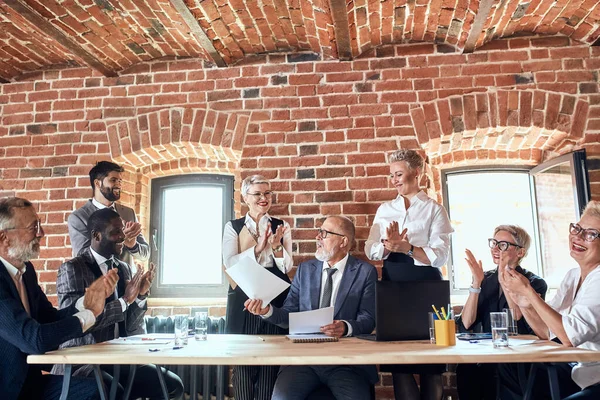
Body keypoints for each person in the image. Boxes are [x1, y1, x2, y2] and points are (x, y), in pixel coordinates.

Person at [55, 208, 184, 400]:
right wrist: (124, 301)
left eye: (122, 231)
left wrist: (139, 297)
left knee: (173, 386)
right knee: (112, 390)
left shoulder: (123, 268)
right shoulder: (73, 268)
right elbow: (75, 325)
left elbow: (130, 326)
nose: (122, 237)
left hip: (119, 358)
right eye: (115, 232)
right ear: (96, 235)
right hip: (83, 362)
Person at [245, 216, 378, 400]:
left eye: (324, 233)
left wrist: (346, 327)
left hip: (347, 363)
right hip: (303, 361)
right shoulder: (305, 270)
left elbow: (369, 319)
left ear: (343, 241)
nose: (318, 237)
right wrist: (266, 311)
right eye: (319, 232)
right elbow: (288, 315)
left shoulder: (365, 272)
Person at [0, 197, 111, 400]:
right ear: (4, 238)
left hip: (30, 383)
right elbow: (35, 339)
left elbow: (49, 317)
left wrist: (85, 303)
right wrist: (89, 315)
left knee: (100, 389)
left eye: (39, 225)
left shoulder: (26, 271)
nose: (41, 233)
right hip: (8, 390)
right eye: (33, 227)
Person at [364, 149, 453, 400]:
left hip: (428, 287)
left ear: (416, 172)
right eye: (392, 175)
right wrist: (387, 245)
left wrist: (409, 248)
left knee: (431, 365)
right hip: (394, 286)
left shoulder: (434, 209)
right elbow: (370, 250)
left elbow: (441, 256)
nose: (394, 180)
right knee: (400, 364)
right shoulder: (385, 209)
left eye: (399, 174)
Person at [498, 200, 600, 399]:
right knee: (510, 367)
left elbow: (568, 337)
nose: (578, 237)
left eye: (590, 234)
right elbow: (548, 332)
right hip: (577, 368)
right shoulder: (573, 275)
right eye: (577, 229)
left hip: (595, 377)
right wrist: (524, 303)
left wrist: (528, 292)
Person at [221, 175, 293, 400]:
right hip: (243, 298)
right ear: (245, 197)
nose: (264, 198)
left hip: (274, 299)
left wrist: (276, 248)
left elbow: (287, 266)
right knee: (242, 365)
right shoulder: (233, 227)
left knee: (270, 366)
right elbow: (230, 263)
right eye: (257, 194)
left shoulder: (282, 225)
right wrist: (258, 247)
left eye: (267, 193)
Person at [456, 225, 547, 400]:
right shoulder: (486, 278)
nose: (496, 249)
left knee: (501, 370)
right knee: (466, 369)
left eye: (503, 245)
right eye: (494, 243)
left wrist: (504, 278)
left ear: (520, 252)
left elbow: (516, 318)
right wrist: (476, 283)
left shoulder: (533, 282)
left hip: (517, 354)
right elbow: (466, 323)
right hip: (486, 352)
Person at [68, 161, 149, 269]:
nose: (119, 184)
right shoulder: (79, 217)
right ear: (97, 183)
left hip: (127, 283)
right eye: (113, 180)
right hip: (98, 283)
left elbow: (145, 254)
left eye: (120, 180)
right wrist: (120, 238)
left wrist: (133, 245)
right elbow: (83, 256)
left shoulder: (128, 213)